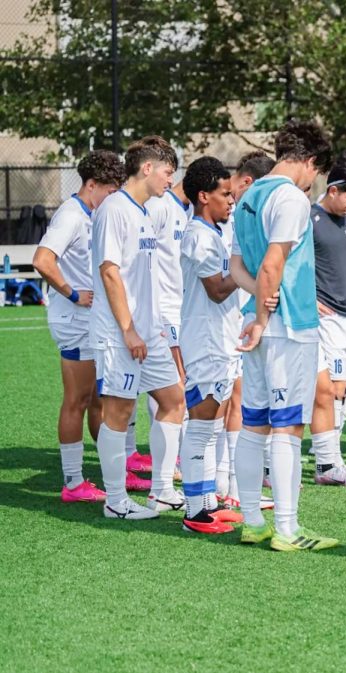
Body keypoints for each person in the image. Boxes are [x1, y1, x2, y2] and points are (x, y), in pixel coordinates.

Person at [230, 119, 339, 551]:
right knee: (288, 426)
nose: (314, 180)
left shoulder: (247, 196)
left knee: (254, 424)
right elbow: (273, 264)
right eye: (316, 172)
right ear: (309, 162)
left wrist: (257, 307)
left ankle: (254, 522)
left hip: (260, 325)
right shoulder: (290, 196)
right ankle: (288, 530)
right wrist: (264, 312)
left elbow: (238, 268)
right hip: (288, 326)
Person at [89, 135, 187, 520]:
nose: (169, 180)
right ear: (147, 168)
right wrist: (128, 330)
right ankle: (116, 500)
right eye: (166, 172)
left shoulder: (146, 211)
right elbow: (109, 272)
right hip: (120, 333)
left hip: (151, 332)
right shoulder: (115, 209)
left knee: (174, 400)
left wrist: (153, 326)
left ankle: (162, 491)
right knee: (119, 408)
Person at [33, 150, 124, 502]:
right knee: (78, 399)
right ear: (91, 184)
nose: (113, 196)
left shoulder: (92, 213)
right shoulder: (71, 215)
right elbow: (42, 260)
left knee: (98, 399)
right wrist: (72, 294)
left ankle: (110, 471)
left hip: (91, 320)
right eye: (110, 189)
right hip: (74, 319)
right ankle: (72, 483)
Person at [176, 157, 244, 534]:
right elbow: (217, 291)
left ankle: (205, 502)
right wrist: (242, 267)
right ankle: (192, 512)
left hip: (220, 338)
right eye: (224, 194)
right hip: (204, 339)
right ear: (203, 196)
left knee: (213, 421)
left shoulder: (213, 232)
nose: (230, 200)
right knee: (201, 422)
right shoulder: (198, 235)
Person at [216, 151, 276, 508]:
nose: (230, 197)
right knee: (226, 404)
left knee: (238, 401)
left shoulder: (243, 215)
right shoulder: (237, 213)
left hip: (240, 316)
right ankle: (225, 487)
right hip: (226, 323)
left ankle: (232, 487)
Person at [310, 153, 346, 487]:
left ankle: (332, 459)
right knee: (327, 390)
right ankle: (325, 463)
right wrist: (310, 299)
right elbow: (293, 264)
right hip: (326, 317)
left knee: (342, 389)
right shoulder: (310, 219)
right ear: (333, 190)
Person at [143, 173, 192, 510]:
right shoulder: (160, 206)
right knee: (172, 394)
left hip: (178, 311)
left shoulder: (181, 210)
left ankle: (165, 480)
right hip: (163, 314)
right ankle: (159, 485)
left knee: (174, 395)